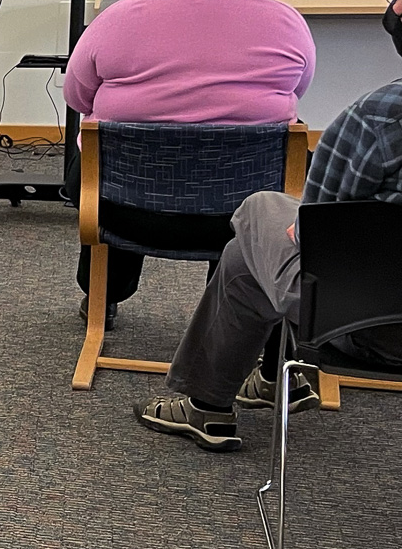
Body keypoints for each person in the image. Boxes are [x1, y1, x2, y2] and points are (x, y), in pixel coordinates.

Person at [64, 0, 314, 323]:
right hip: (240, 217)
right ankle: (229, 309)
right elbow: (297, 91)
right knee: (260, 172)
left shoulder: (121, 16)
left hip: (125, 210)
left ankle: (104, 295)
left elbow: (76, 97)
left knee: (103, 156)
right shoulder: (287, 23)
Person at [136, 71, 402, 451]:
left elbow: (312, 235)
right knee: (250, 253)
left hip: (368, 327)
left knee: (259, 213)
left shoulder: (381, 116)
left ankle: (209, 404)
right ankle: (274, 380)